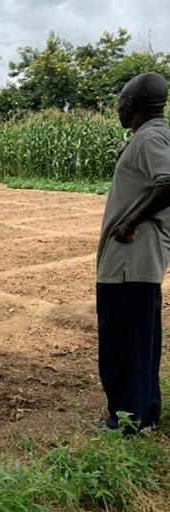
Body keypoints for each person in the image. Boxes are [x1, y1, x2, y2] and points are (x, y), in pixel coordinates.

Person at [97, 71, 170, 432]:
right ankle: (145, 413)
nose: (118, 110)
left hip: (132, 259)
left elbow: (169, 181)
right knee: (139, 339)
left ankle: (127, 421)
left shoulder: (149, 138)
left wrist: (129, 222)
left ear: (132, 105)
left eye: (120, 103)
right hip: (138, 260)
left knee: (124, 342)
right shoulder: (157, 134)